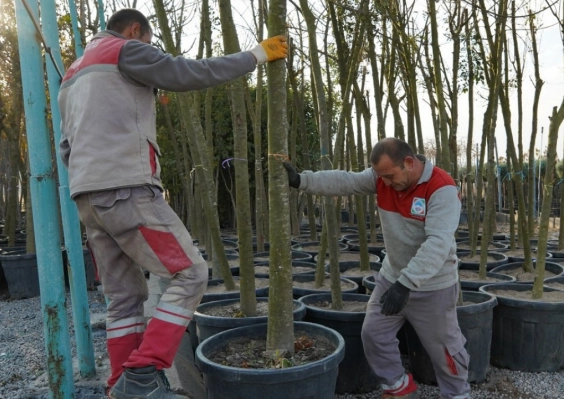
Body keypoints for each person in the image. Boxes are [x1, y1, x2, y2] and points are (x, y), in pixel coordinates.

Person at [58, 8, 287, 399]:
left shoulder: (73, 73)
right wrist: (256, 55)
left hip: (87, 196)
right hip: (126, 190)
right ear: (135, 31)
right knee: (191, 273)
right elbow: (188, 73)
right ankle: (144, 372)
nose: (150, 53)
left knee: (125, 297)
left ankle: (121, 387)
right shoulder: (125, 50)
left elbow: (66, 146)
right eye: (149, 42)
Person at [284, 137, 471, 399]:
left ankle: (458, 394)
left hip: (432, 285)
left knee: (445, 351)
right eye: (380, 176)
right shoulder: (382, 178)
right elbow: (345, 181)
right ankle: (399, 389)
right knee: (374, 334)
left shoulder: (442, 188)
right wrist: (301, 181)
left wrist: (405, 284)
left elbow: (438, 243)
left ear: (409, 162)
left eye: (390, 176)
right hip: (392, 277)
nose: (384, 183)